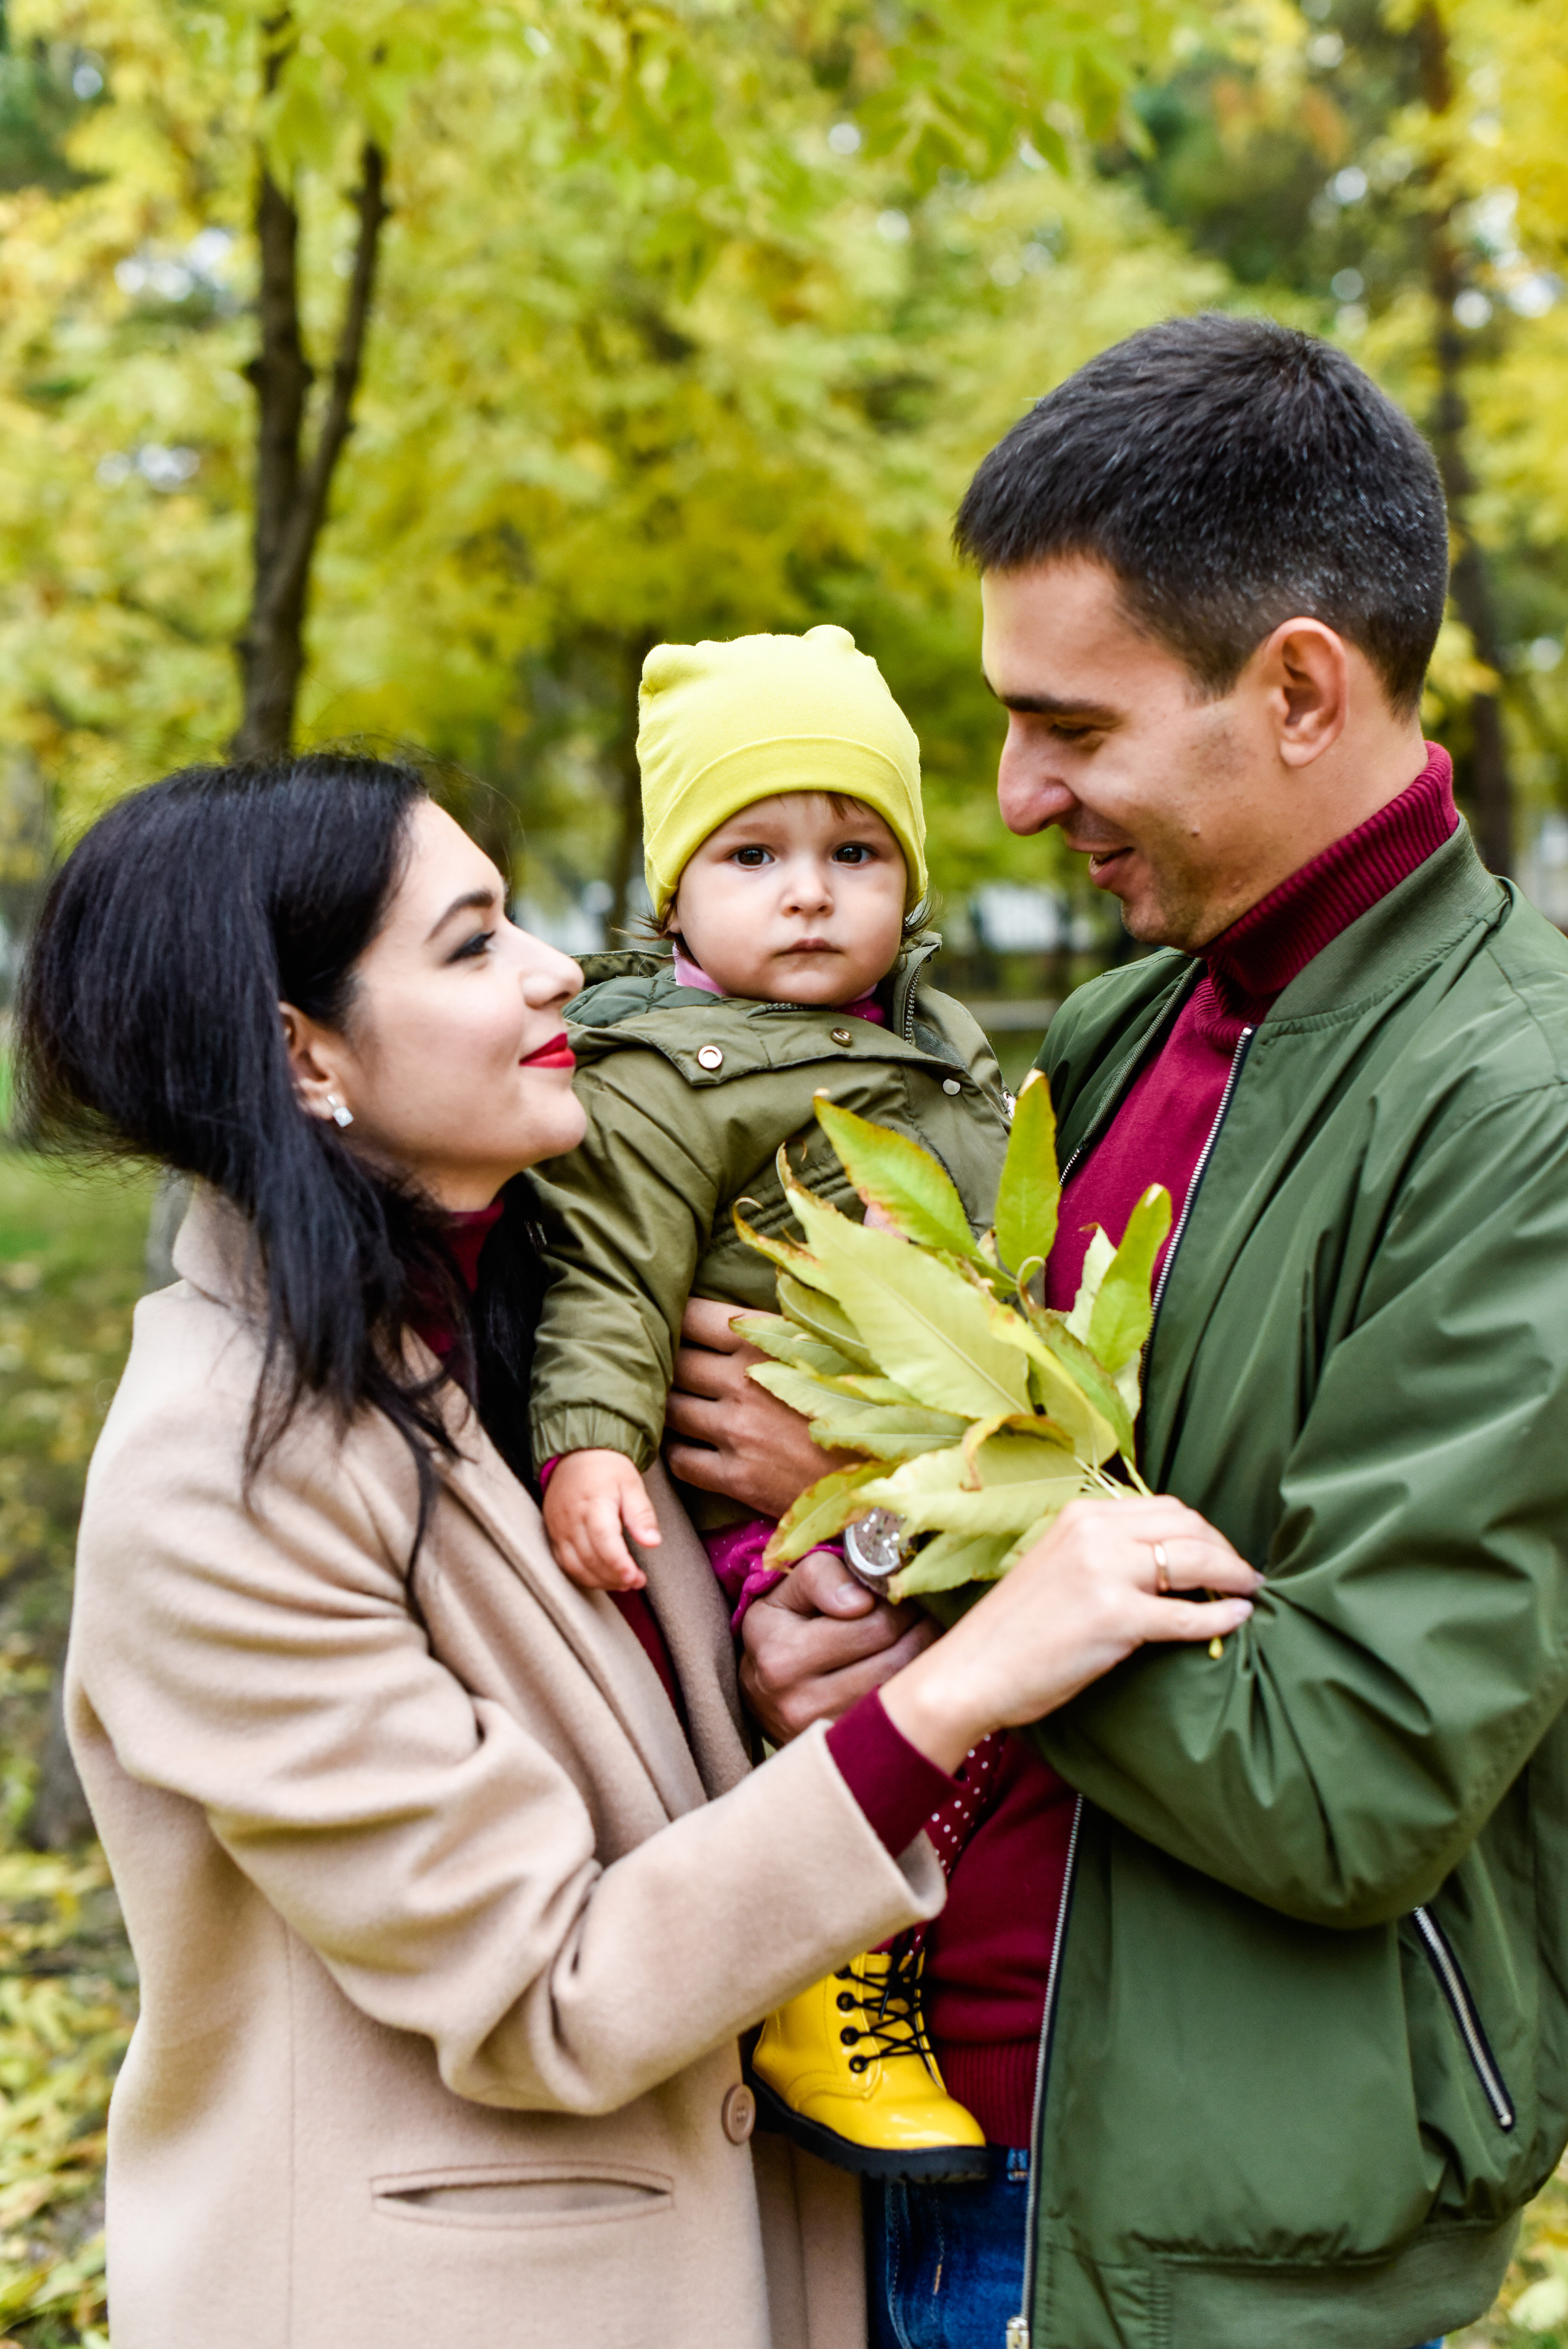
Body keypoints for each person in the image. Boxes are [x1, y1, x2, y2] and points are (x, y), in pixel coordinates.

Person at [16, 752, 1256, 2349]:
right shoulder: (216, 1475)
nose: (554, 969)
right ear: (300, 1049)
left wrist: (836, 1581)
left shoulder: (560, 1313)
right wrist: (956, 1687)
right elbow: (554, 1987)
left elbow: (678, 1750)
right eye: (472, 944)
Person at [662, 315, 1568, 2349]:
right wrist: (846, 1587)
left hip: (1199, 2228)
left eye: (1067, 727)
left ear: (1299, 690)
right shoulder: (1122, 1026)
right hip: (910, 2151)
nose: (1011, 797)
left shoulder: (1519, 1115)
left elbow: (1348, 1769)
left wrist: (904, 1506)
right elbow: (1020, 1542)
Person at [527, 625, 1011, 2181]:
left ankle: (895, 1971)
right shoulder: (663, 1077)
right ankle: (824, 1995)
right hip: (768, 1507)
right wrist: (590, 1445)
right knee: (863, 1696)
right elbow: (608, 1276)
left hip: (929, 1454)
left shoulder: (938, 1048)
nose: (808, 892)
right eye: (753, 854)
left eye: (853, 852)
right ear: (675, 894)